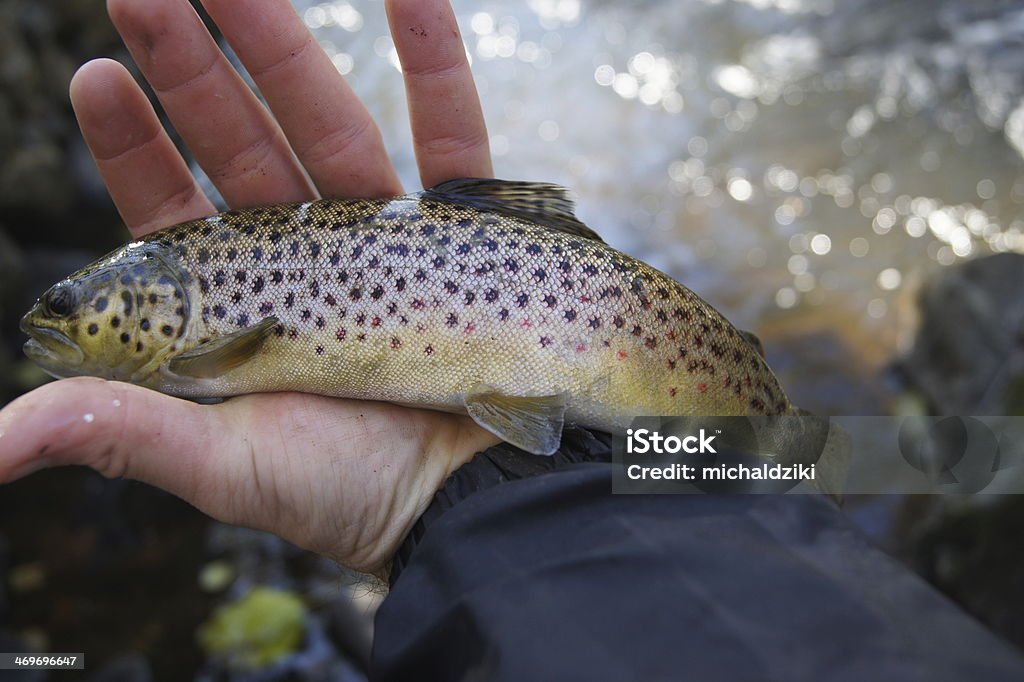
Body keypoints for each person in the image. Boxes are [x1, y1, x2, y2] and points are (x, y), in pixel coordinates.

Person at [2, 2, 1023, 680]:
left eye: (77, 309)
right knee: (816, 454)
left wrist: (492, 512)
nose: (59, 325)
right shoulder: (191, 313)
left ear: (146, 310)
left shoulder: (200, 351)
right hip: (636, 401)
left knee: (799, 447)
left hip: (643, 379)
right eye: (72, 309)